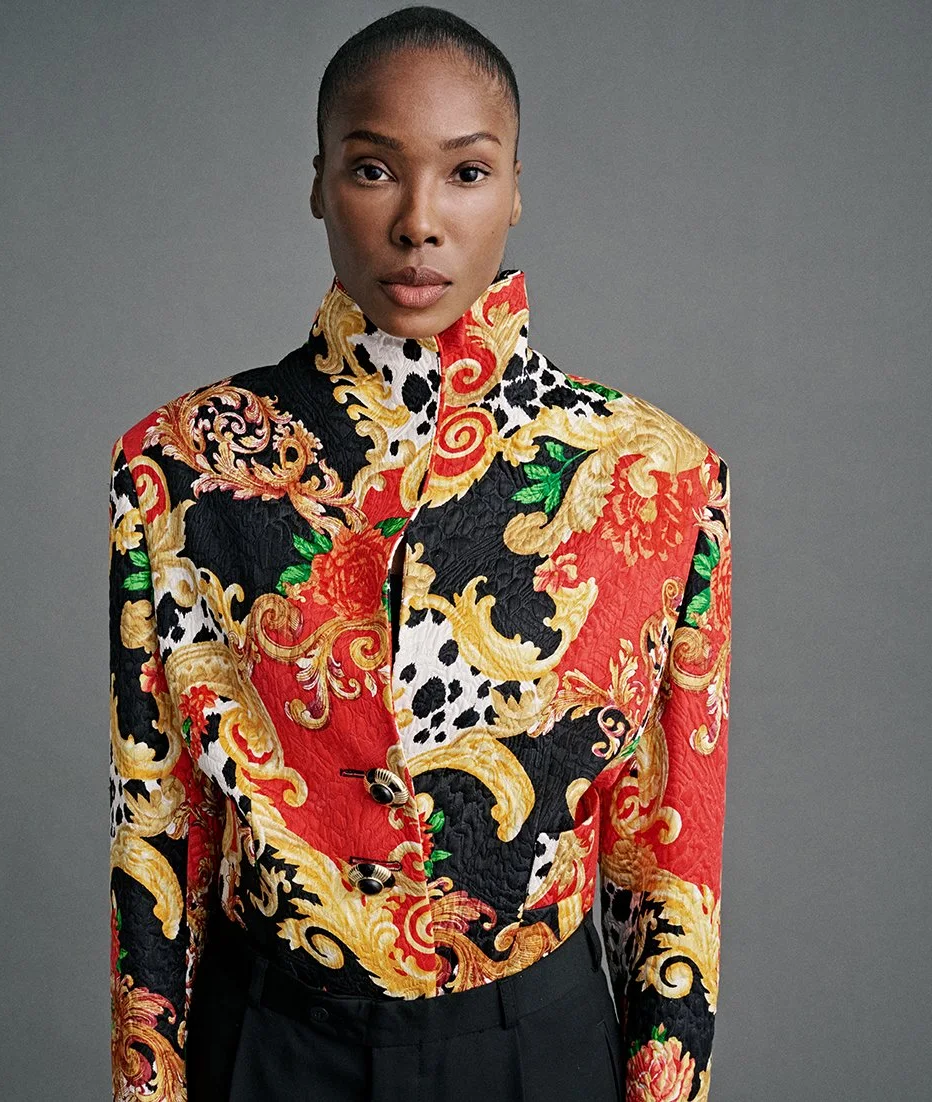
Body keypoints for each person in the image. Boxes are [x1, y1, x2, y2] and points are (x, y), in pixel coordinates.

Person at [108, 7, 732, 1101]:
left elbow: (666, 865)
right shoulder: (181, 467)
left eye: (467, 173)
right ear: (317, 183)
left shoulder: (660, 474)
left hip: (536, 1049)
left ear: (518, 188)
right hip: (270, 1047)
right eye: (373, 168)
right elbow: (157, 831)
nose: (418, 222)